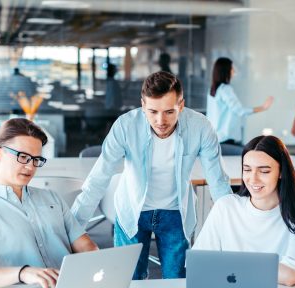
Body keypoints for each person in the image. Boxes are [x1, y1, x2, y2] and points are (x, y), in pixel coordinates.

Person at [71, 71, 232, 280]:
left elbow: (218, 181)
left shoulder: (200, 126)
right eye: (152, 111)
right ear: (142, 105)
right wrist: (73, 230)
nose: (160, 120)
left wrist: (233, 227)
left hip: (176, 213)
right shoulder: (125, 126)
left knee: (177, 279)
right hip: (132, 211)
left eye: (169, 112)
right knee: (129, 280)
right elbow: (98, 179)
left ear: (181, 105)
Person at [0, 118, 98, 288]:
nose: (30, 167)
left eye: (36, 160)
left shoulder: (52, 199)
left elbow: (87, 247)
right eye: (23, 156)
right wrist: (23, 273)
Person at [193, 135, 295, 286]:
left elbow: (289, 275)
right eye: (247, 169)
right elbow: (199, 264)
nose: (253, 179)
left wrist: (228, 264)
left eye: (264, 171)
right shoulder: (226, 207)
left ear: (281, 172)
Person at [207, 57, 273, 146]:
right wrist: (263, 107)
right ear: (225, 71)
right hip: (225, 139)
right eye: (232, 69)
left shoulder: (212, 90)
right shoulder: (225, 89)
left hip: (215, 138)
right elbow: (240, 110)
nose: (234, 72)